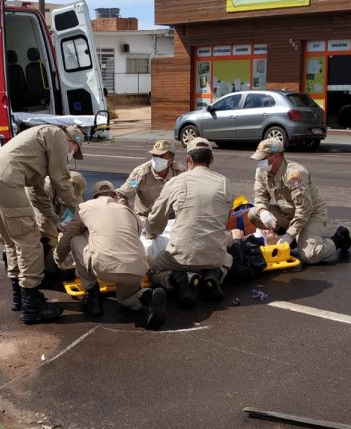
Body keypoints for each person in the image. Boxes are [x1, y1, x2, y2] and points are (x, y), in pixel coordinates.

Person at [0, 125, 84, 324]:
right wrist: (79, 208)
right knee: (29, 242)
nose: (71, 154)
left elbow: (37, 194)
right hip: (6, 180)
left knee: (12, 241)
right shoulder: (58, 136)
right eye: (75, 150)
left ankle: (20, 298)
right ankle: (32, 307)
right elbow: (60, 179)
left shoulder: (38, 143)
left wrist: (56, 221)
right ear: (73, 141)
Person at [54, 180, 168, 329]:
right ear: (114, 195)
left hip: (105, 269)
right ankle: (146, 297)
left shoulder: (84, 208)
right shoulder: (128, 211)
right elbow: (136, 234)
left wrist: (58, 259)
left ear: (94, 197)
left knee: (76, 239)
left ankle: (92, 298)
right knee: (126, 299)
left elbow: (68, 237)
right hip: (137, 269)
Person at [145, 137, 236, 307]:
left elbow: (156, 218)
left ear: (188, 159)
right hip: (214, 255)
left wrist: (151, 233)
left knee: (153, 271)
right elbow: (225, 219)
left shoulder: (177, 182)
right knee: (228, 258)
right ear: (212, 160)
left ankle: (178, 279)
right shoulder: (225, 183)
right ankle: (213, 276)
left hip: (181, 257)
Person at [247, 138, 351, 264]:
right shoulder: (262, 171)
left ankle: (339, 239)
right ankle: (294, 237)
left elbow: (304, 209)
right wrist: (263, 211)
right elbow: (260, 196)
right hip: (288, 213)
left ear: (277, 156)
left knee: (310, 255)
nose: (260, 162)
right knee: (253, 213)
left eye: (264, 158)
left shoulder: (294, 175)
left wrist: (289, 235)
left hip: (311, 214)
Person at [116, 140, 185, 217]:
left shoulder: (179, 172)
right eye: (154, 155)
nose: (157, 159)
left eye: (161, 156)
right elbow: (121, 194)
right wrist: (130, 214)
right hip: (146, 217)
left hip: (171, 217)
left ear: (171, 159)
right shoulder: (139, 174)